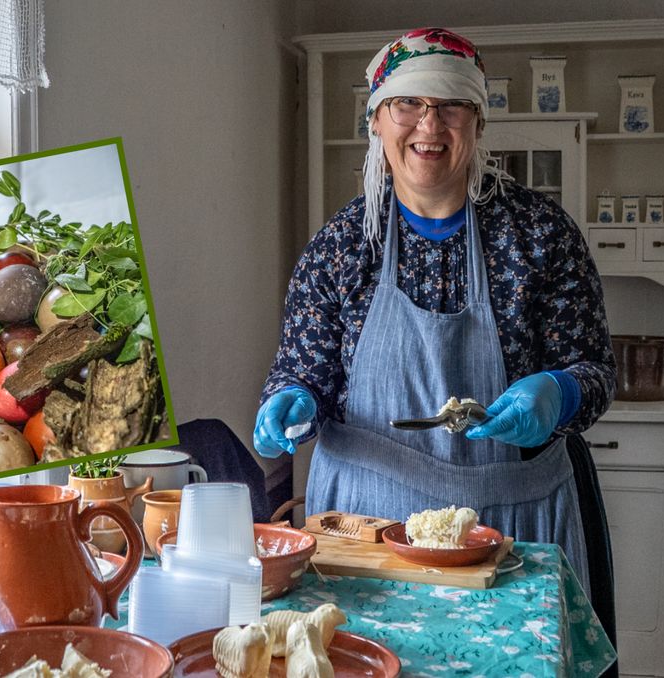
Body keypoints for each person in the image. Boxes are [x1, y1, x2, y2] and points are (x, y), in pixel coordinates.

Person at [254, 26, 618, 661]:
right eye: (407, 104)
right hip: (366, 534)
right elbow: (303, 370)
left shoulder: (540, 237)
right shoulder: (341, 248)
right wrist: (290, 399)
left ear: (477, 123)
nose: (429, 124)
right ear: (377, 122)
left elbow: (594, 372)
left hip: (511, 531)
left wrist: (558, 391)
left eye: (450, 105)